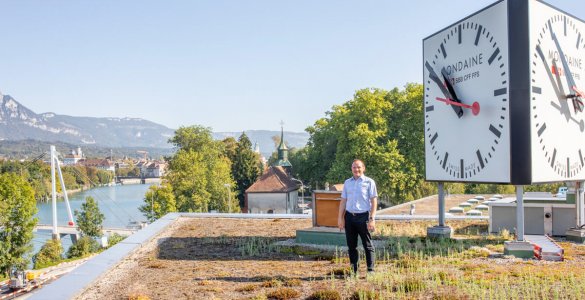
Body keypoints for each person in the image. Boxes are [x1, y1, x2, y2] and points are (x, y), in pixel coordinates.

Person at [337, 159, 378, 275]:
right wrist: (340, 218)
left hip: (363, 217)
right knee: (352, 246)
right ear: (351, 169)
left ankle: (371, 270)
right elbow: (343, 201)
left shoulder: (369, 182)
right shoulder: (347, 183)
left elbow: (374, 201)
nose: (356, 169)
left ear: (363, 168)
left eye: (359, 167)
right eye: (354, 167)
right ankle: (354, 270)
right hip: (349, 217)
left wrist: (372, 218)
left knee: (367, 245)